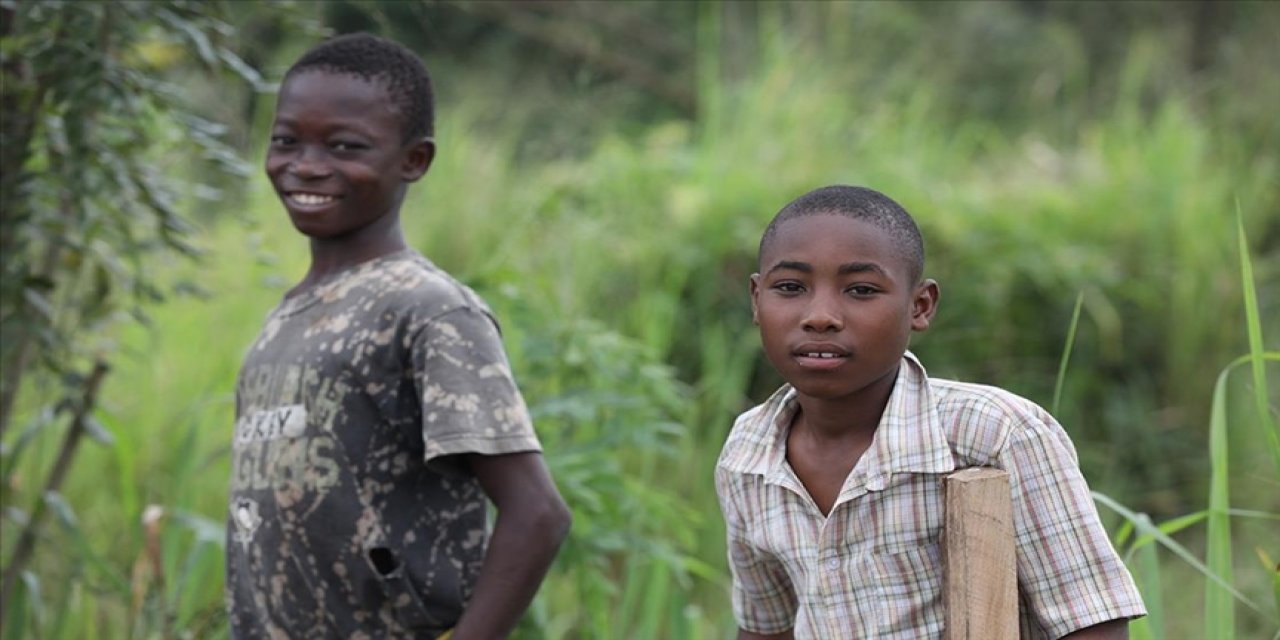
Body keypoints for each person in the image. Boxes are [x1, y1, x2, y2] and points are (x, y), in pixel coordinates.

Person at [226, 33, 571, 639]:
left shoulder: (427, 309)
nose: (306, 165)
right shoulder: (285, 316)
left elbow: (537, 513)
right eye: (286, 141)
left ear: (413, 160)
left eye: (344, 146)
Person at [715, 185, 1146, 639]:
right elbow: (766, 629)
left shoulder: (994, 433)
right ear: (756, 300)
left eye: (861, 290)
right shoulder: (749, 455)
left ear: (919, 306)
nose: (821, 316)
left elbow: (1092, 623)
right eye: (790, 288)